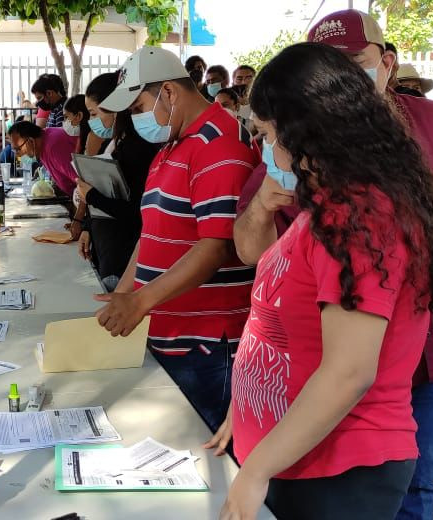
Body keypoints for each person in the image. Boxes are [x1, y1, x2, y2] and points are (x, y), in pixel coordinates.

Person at [237, 11, 433, 520]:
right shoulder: (326, 196)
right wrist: (245, 411)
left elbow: (348, 372)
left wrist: (255, 469)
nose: (268, 150)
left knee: (419, 496)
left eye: (273, 135)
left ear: (312, 130)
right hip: (298, 447)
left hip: (337, 464)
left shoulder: (358, 216)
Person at [96, 46, 255, 433]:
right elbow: (151, 232)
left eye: (138, 108)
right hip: (169, 332)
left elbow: (214, 246)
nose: (134, 120)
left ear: (168, 92)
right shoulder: (172, 145)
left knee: (205, 462)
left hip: (206, 345)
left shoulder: (221, 144)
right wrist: (127, 292)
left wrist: (141, 300)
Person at [75, 71, 161, 291]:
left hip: (126, 252)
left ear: (115, 107)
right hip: (106, 248)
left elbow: (136, 210)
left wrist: (91, 196)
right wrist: (87, 227)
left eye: (94, 113)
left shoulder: (139, 148)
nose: (92, 121)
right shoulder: (113, 145)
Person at [7, 121, 78, 198]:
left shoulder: (53, 147)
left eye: (18, 149)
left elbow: (82, 183)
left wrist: (79, 210)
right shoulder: (43, 143)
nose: (18, 155)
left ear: (31, 141)